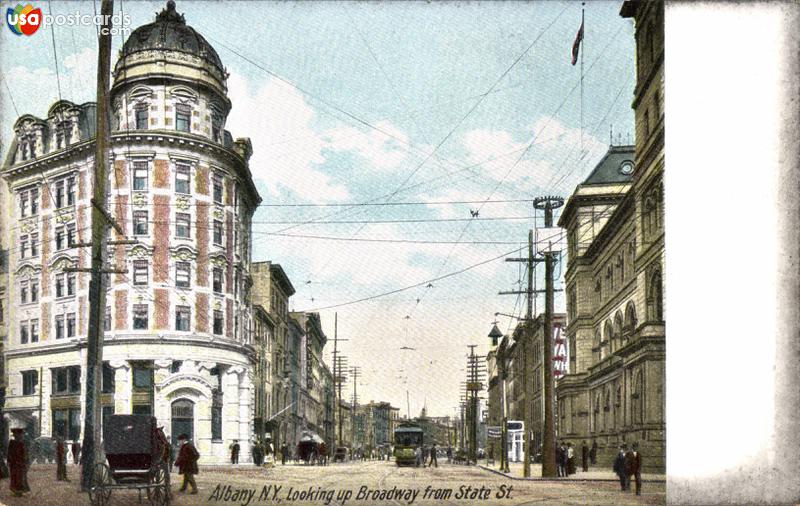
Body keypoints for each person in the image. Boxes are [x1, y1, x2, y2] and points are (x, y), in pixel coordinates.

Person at [7, 429, 28, 497]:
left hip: (18, 462)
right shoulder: (14, 443)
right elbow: (9, 453)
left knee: (19, 476)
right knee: (16, 476)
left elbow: (23, 453)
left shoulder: (20, 443)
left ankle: (18, 490)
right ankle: (17, 490)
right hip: (15, 462)